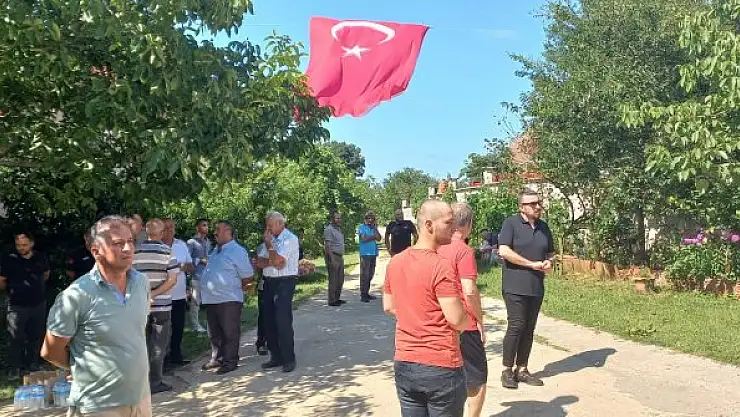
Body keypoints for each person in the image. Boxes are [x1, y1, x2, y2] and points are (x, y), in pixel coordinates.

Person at [41, 216, 152, 416]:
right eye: (118, 243)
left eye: (130, 241)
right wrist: (78, 366)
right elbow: (50, 350)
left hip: (141, 398)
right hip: (98, 405)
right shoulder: (76, 295)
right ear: (96, 251)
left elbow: (134, 333)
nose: (128, 248)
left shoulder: (141, 283)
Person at [383, 200, 469, 417]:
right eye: (448, 222)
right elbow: (456, 319)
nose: (454, 228)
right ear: (429, 225)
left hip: (405, 363)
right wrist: (468, 318)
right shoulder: (441, 265)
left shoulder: (396, 262)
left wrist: (416, 318)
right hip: (441, 365)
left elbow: (389, 306)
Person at [498, 190, 555, 389]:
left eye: (539, 203)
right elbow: (504, 250)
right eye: (532, 204)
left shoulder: (543, 227)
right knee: (517, 325)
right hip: (514, 285)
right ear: (521, 207)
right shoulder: (511, 224)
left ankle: (522, 369)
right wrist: (531, 264)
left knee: (529, 328)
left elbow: (551, 253)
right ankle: (507, 370)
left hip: (536, 286)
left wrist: (549, 262)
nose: (537, 207)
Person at [438, 203, 488, 417]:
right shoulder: (463, 251)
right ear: (468, 224)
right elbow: (469, 290)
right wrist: (479, 320)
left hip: (439, 321)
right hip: (464, 323)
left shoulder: (435, 247)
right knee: (476, 379)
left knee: (446, 377)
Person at [200, 220, 254, 375]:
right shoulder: (215, 250)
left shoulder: (237, 250)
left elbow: (248, 275)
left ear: (228, 231)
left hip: (228, 298)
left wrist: (233, 287)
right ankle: (218, 358)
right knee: (214, 333)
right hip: (212, 299)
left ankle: (230, 361)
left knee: (229, 332)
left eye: (218, 229)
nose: (214, 232)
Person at [133, 219, 180, 394]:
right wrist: (154, 294)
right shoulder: (167, 252)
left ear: (146, 232)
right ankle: (155, 382)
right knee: (159, 345)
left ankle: (140, 382)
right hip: (162, 306)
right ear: (161, 233)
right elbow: (172, 279)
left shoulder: (135, 251)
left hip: (139, 306)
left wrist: (145, 295)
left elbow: (128, 278)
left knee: (140, 345)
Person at [0, 232, 50, 380]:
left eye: (24, 245)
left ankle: (32, 364)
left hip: (38, 303)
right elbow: (2, 280)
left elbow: (46, 274)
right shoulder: (10, 259)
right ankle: (14, 368)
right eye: (18, 245)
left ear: (31, 244)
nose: (21, 248)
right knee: (15, 337)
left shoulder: (40, 257)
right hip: (17, 304)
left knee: (35, 335)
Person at [259, 211, 300, 373]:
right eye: (267, 226)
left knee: (282, 320)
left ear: (280, 223)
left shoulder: (290, 239)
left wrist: (270, 247)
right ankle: (275, 356)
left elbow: (278, 262)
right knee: (268, 321)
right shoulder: (271, 239)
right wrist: (273, 260)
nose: (267, 229)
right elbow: (259, 262)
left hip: (284, 282)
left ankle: (288, 358)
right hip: (269, 281)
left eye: (270, 226)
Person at [162, 218, 194, 367]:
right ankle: (161, 360)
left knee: (178, 327)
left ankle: (176, 355)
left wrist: (181, 267)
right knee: (161, 329)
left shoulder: (181, 245)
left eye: (171, 228)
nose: (169, 230)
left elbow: (190, 266)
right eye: (166, 228)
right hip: (161, 295)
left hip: (179, 294)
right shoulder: (156, 246)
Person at [186, 218, 210, 333]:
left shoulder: (208, 242)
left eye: (207, 225)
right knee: (195, 302)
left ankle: (209, 324)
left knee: (208, 301)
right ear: (197, 228)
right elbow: (186, 259)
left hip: (207, 276)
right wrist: (200, 260)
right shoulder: (191, 242)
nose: (206, 227)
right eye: (204, 225)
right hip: (196, 276)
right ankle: (195, 326)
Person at [357, 211, 381, 302]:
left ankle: (366, 292)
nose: (370, 220)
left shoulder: (374, 228)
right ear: (365, 219)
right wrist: (373, 237)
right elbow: (363, 238)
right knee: (365, 275)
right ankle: (363, 294)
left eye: (372, 218)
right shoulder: (361, 227)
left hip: (373, 253)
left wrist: (375, 229)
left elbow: (379, 238)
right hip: (365, 254)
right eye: (368, 218)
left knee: (371, 274)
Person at [324, 212, 345, 307]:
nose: (339, 220)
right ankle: (332, 300)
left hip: (340, 256)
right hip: (333, 256)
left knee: (340, 279)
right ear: (332, 219)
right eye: (337, 218)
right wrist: (332, 260)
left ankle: (337, 298)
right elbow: (327, 246)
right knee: (333, 279)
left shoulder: (338, 229)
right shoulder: (329, 230)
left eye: (340, 218)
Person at [252, 242, 269, 356]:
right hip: (265, 283)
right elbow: (257, 266)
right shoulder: (262, 247)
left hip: (281, 285)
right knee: (264, 315)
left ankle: (274, 340)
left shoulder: (285, 243)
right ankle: (261, 342)